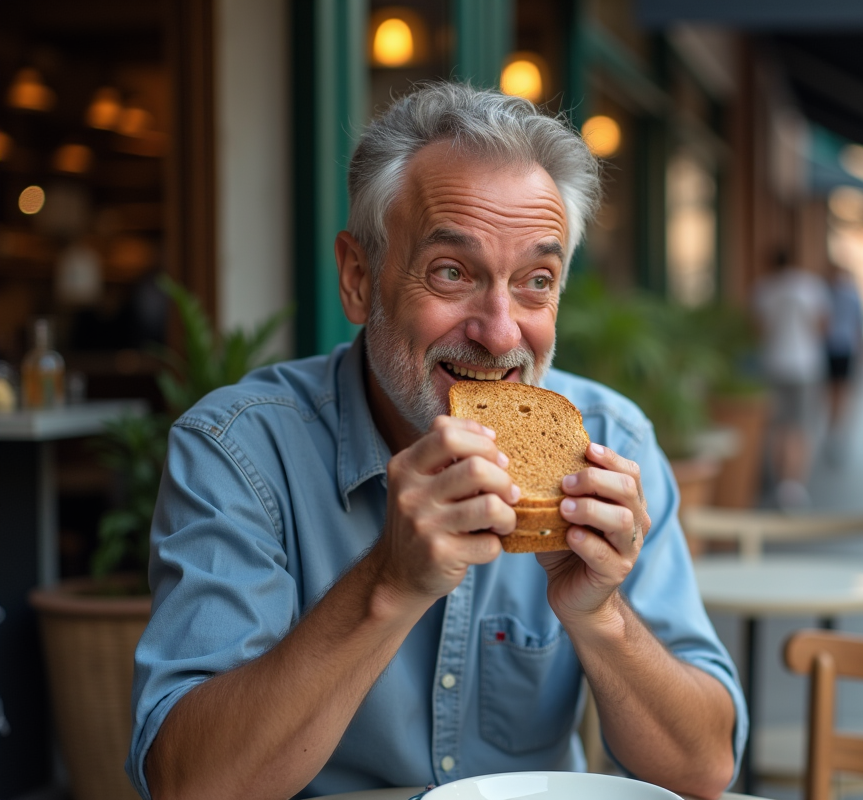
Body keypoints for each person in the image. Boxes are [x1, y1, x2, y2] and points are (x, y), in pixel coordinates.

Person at [126, 83, 746, 800]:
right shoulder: (238, 451)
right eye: (453, 272)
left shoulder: (610, 441)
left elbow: (705, 769)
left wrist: (601, 617)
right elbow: (186, 785)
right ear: (360, 280)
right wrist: (388, 582)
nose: (502, 332)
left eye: (536, 282)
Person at [753, 249, 830, 510]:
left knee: (778, 427)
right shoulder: (809, 285)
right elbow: (821, 326)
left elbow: (759, 329)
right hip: (805, 366)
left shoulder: (764, 289)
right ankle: (794, 485)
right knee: (800, 427)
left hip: (774, 364)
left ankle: (779, 483)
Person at [823, 263, 863, 466]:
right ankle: (837, 431)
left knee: (835, 392)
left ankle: (835, 430)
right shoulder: (850, 294)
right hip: (843, 347)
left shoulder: (827, 293)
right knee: (841, 393)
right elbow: (860, 323)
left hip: (833, 348)